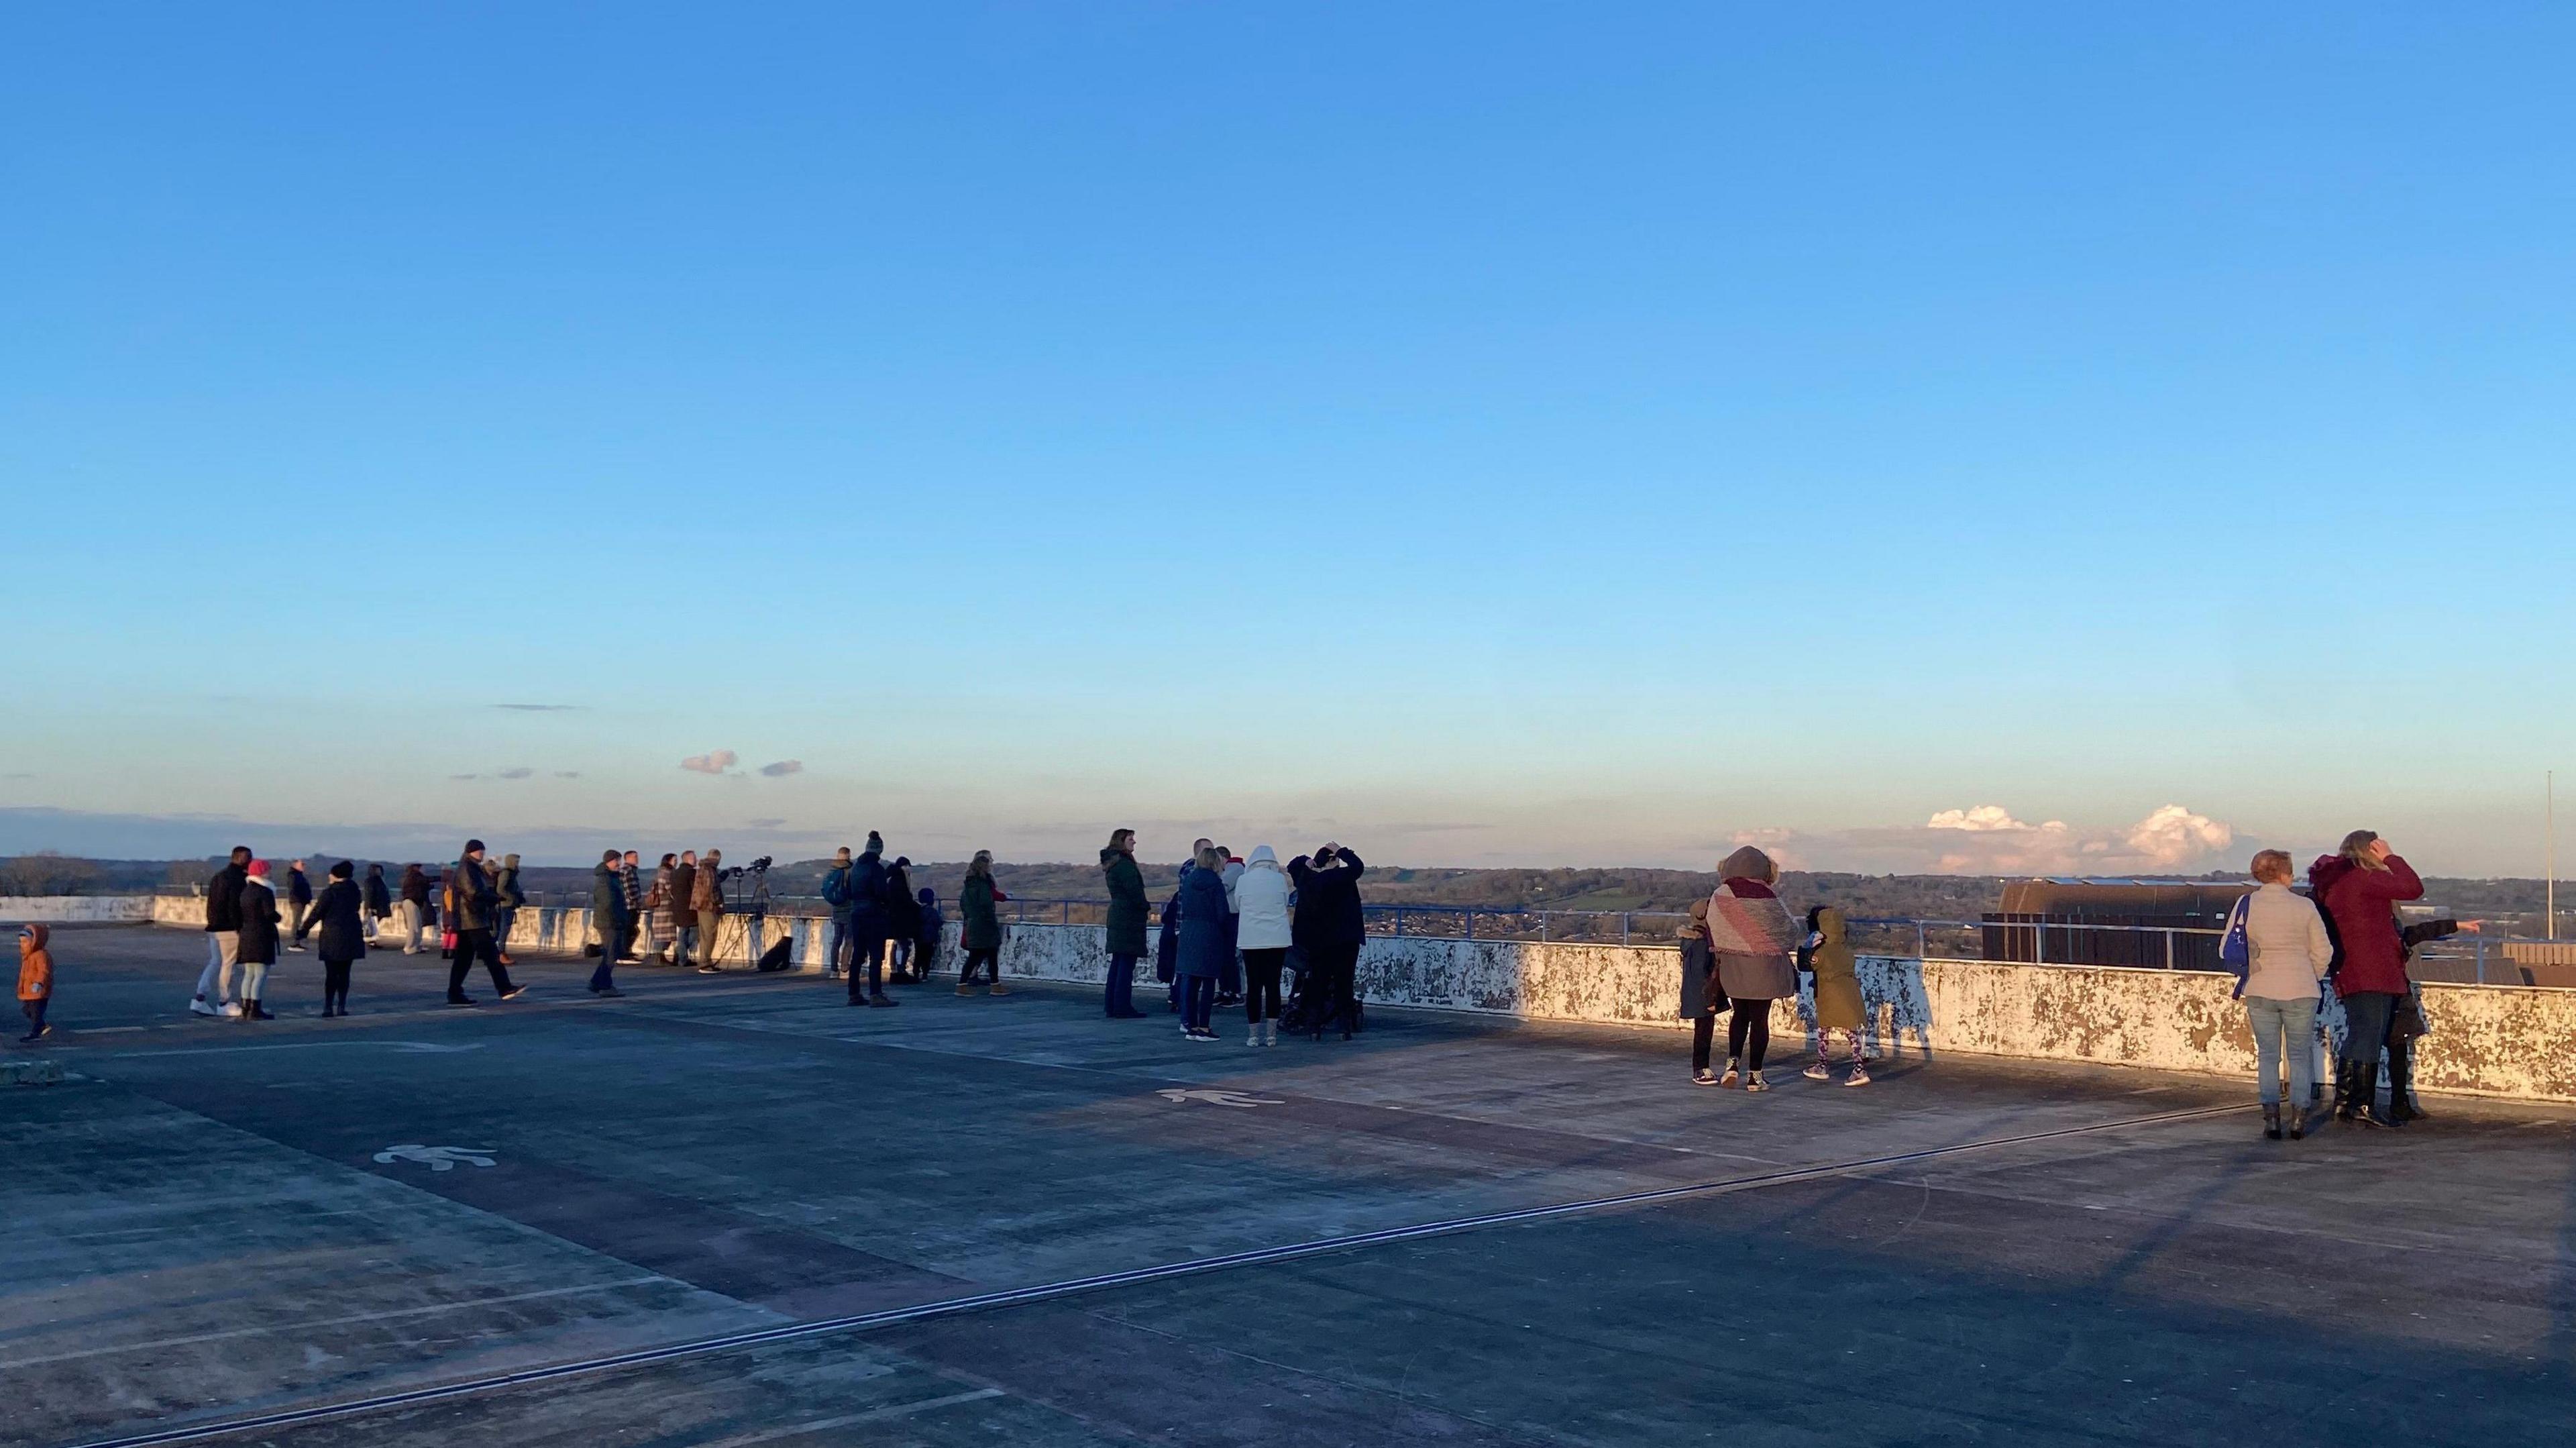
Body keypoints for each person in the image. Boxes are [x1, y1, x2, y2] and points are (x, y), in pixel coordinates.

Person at [2312, 831, 2426, 1128]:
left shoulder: (2337, 883)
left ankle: (2346, 1102)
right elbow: (2413, 888)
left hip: (2351, 969)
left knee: (2359, 1034)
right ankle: (2363, 1104)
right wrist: (2390, 857)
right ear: (2369, 850)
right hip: (2374, 969)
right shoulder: (2362, 879)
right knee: (2371, 1036)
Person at [2238, 849, 2332, 1139]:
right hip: (2301, 988)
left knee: (2268, 1056)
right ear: (2283, 874)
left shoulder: (2246, 904)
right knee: (2300, 1055)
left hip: (2260, 987)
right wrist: (2309, 975)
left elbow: (2227, 948)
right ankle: (2299, 1119)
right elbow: (2324, 951)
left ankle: (2271, 1119)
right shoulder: (2304, 907)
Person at [1705, 845, 1799, 1092]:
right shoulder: (1768, 895)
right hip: (1765, 968)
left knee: (1740, 1016)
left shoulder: (1720, 894)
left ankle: (1732, 1063)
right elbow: (1789, 931)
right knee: (1760, 1021)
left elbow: (1712, 928)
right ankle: (1755, 1076)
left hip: (1733, 967)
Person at [1288, 841, 1367, 1041]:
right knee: (1344, 984)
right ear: (1335, 861)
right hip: (1345, 940)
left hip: (1319, 940)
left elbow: (1293, 865)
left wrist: (1311, 862)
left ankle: (1314, 1027)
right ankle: (1344, 1028)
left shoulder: (1308, 881)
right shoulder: (1344, 877)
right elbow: (1358, 866)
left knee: (1318, 983)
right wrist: (1341, 850)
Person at [445, 840, 522, 1006]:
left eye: (483, 852)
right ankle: (504, 988)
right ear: (471, 852)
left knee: (464, 959)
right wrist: (494, 897)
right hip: (472, 919)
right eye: (480, 852)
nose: (482, 855)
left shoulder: (470, 866)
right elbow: (473, 892)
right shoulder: (467, 868)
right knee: (490, 955)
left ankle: (455, 993)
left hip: (469, 919)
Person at [1801, 906, 1870, 1086]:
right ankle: (1858, 1067)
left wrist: (1808, 947)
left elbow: (1805, 965)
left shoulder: (1822, 953)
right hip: (1849, 991)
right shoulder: (1846, 951)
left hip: (1829, 994)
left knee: (1824, 1029)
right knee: (1850, 1030)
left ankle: (1823, 1065)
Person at [1234, 845, 1293, 1045]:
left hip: (1251, 940)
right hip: (1277, 939)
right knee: (1273, 985)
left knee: (1254, 987)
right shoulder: (1279, 879)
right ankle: (1271, 1034)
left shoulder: (1243, 880)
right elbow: (1285, 901)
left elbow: (1238, 903)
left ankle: (1253, 1035)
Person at [1175, 845, 1234, 1040]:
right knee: (1208, 983)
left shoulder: (1189, 880)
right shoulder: (1216, 884)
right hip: (1209, 934)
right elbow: (1222, 914)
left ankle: (1190, 1027)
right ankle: (1204, 1028)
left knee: (1190, 981)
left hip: (1189, 932)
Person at [192, 845, 251, 1019]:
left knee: (216, 962)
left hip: (215, 927)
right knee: (228, 964)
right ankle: (224, 1002)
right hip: (229, 928)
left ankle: (200, 998)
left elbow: (212, 903)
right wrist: (239, 928)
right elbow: (235, 906)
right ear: (241, 859)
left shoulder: (219, 877)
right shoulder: (239, 879)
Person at [1100, 829, 1151, 1019]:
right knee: (1126, 963)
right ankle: (1122, 1006)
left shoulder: (1113, 864)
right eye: (1131, 839)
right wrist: (1145, 907)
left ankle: (1112, 1005)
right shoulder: (1125, 865)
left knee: (1118, 962)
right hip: (1129, 918)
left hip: (1118, 917)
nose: (1134, 842)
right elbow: (1135, 892)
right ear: (1122, 841)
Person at [307, 860, 366, 1017]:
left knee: (331, 973)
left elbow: (317, 912)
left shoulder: (330, 892)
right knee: (345, 973)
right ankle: (342, 1005)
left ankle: (328, 1006)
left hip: (332, 935)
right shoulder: (354, 890)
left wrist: (303, 930)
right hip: (351, 933)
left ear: (335, 875)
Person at [845, 833, 896, 1006]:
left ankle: (854, 993)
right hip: (874, 914)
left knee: (858, 954)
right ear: (879, 850)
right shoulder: (876, 868)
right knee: (876, 956)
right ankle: (876, 994)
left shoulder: (856, 867)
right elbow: (882, 893)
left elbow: (849, 890)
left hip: (856, 913)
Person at [1680, 899, 1726, 1085]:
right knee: (1704, 1031)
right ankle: (1700, 1068)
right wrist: (1710, 998)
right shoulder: (1702, 942)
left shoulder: (1690, 941)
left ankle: (1701, 1067)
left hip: (1696, 993)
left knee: (1703, 1030)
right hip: (1704, 994)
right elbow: (1703, 972)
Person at [957, 849, 1009, 996]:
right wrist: (989, 918)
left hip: (973, 923)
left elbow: (963, 904)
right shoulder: (984, 884)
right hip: (985, 924)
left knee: (975, 956)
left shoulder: (969, 885)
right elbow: (986, 902)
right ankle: (995, 985)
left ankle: (962, 984)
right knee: (990, 955)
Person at [235, 859, 281, 1022]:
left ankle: (245, 1007)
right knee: (261, 973)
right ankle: (256, 1008)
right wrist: (278, 917)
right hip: (262, 935)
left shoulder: (245, 891)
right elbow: (270, 914)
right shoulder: (265, 892)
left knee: (249, 973)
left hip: (247, 933)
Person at [589, 849, 630, 996]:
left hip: (610, 921)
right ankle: (605, 986)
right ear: (608, 862)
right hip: (609, 922)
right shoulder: (605, 879)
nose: (619, 864)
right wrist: (618, 918)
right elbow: (608, 903)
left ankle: (597, 982)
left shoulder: (610, 877)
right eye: (616, 861)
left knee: (611, 953)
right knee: (611, 955)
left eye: (619, 860)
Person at [1216, 847, 1246, 1008]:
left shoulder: (1235, 868)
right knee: (1224, 956)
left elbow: (1222, 886)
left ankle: (1234, 992)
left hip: (1231, 917)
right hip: (1228, 916)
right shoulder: (1233, 869)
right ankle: (1226, 990)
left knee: (1229, 955)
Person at [1157, 862, 1188, 1012]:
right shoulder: (1185, 898)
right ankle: (1178, 999)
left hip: (1168, 933)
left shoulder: (1178, 896)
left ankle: (1175, 997)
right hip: (1177, 934)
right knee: (1180, 970)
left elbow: (1167, 916)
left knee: (1173, 970)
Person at [885, 856, 922, 982]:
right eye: (906, 866)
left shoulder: (893, 879)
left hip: (894, 917)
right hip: (900, 918)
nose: (908, 869)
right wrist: (918, 908)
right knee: (904, 944)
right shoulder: (900, 881)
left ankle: (896, 970)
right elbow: (905, 900)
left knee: (899, 944)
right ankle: (900, 972)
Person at [821, 845, 855, 980]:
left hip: (836, 909)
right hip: (848, 909)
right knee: (849, 940)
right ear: (848, 855)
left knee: (837, 940)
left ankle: (833, 970)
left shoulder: (830, 871)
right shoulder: (849, 871)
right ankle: (845, 969)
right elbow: (853, 890)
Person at [18, 923, 54, 1042]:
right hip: (29, 991)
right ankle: (42, 1026)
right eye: (21, 942)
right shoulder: (28, 956)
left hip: (39, 991)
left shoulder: (41, 955)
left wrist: (39, 983)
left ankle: (35, 1032)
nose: (22, 945)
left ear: (34, 941)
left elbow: (44, 971)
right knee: (27, 1010)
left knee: (36, 1012)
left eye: (25, 942)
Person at [691, 847, 725, 973]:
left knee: (707, 934)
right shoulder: (708, 870)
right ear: (717, 858)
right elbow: (709, 889)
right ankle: (705, 963)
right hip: (708, 906)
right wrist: (717, 903)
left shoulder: (704, 869)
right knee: (708, 935)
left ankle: (706, 961)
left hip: (703, 906)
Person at [667, 850, 700, 969]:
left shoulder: (675, 873)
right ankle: (683, 953)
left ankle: (682, 957)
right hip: (690, 908)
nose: (696, 860)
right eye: (695, 858)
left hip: (678, 907)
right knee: (695, 931)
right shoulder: (691, 873)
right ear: (689, 859)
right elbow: (696, 889)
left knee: (682, 932)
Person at [492, 853, 526, 966]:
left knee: (501, 931)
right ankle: (500, 953)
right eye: (516, 861)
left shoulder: (511, 874)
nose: (518, 864)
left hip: (508, 905)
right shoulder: (506, 873)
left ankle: (495, 953)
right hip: (505, 906)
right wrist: (513, 898)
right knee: (502, 930)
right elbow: (500, 889)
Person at [645, 853, 679, 964]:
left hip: (660, 906)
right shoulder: (667, 873)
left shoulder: (660, 873)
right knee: (665, 933)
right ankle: (659, 956)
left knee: (661, 933)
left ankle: (659, 956)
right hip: (666, 906)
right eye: (674, 860)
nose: (676, 862)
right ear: (668, 861)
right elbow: (671, 889)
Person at [397, 864, 432, 954]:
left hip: (413, 902)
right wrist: (442, 878)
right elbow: (424, 881)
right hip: (411, 902)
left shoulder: (411, 878)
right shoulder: (414, 877)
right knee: (414, 926)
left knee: (417, 925)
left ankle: (416, 946)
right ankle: (410, 947)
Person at [618, 851, 645, 963]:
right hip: (630, 906)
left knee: (629, 930)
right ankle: (623, 954)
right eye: (635, 857)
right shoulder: (628, 871)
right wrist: (638, 901)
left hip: (625, 905)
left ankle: (625, 952)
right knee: (629, 930)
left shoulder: (624, 870)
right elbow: (631, 889)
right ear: (627, 858)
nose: (637, 859)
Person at [912, 886, 944, 981]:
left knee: (918, 956)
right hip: (930, 938)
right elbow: (938, 922)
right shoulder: (933, 911)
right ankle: (925, 974)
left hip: (918, 938)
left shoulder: (917, 910)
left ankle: (916, 974)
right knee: (927, 957)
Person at [284, 860, 313, 952]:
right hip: (298, 901)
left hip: (300, 901)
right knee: (296, 922)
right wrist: (302, 898)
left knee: (298, 921)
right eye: (302, 865)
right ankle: (294, 942)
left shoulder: (298, 875)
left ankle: (296, 942)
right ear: (295, 865)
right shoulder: (294, 875)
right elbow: (295, 889)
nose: (304, 866)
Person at [363, 862, 391, 943]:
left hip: (379, 906)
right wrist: (369, 907)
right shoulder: (372, 881)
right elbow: (369, 894)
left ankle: (372, 940)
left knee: (374, 924)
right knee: (373, 924)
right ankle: (372, 940)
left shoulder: (379, 881)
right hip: (375, 906)